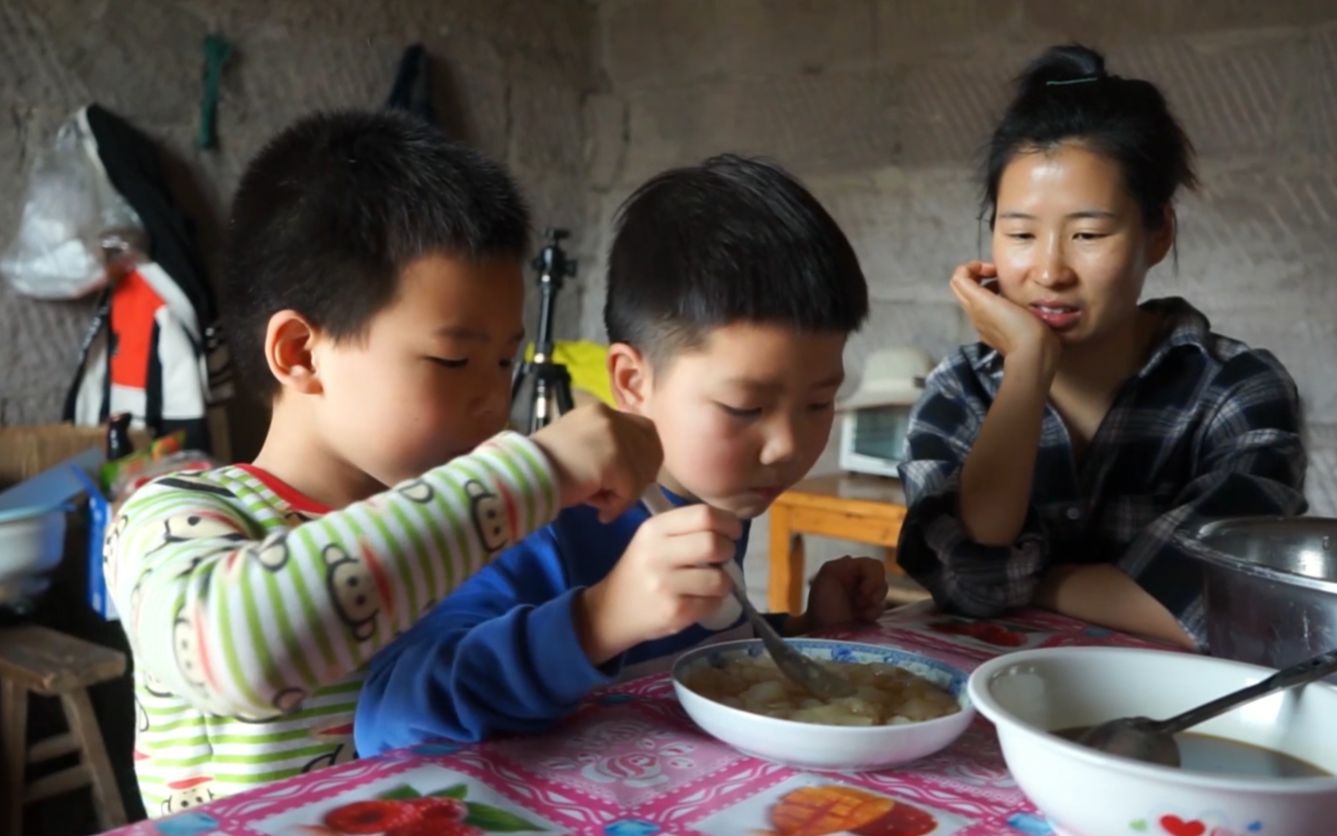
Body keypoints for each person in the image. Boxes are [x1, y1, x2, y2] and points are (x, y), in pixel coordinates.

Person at [106, 109, 661, 814]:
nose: (494, 399)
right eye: (453, 359)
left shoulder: (472, 519)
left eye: (503, 361)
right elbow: (236, 651)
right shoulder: (172, 517)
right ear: (301, 354)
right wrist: (540, 471)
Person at [355, 154, 888, 752]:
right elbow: (390, 717)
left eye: (820, 403)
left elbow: (680, 663)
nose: (788, 445)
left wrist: (803, 630)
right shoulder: (537, 519)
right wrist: (595, 622)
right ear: (633, 382)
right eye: (745, 408)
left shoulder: (710, 495)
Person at [896, 44, 1307, 649]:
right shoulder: (962, 388)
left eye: (1088, 233)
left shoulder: (1236, 390)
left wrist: (1027, 583)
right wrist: (1028, 366)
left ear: (1157, 231)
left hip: (1178, 719)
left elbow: (1226, 607)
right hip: (992, 709)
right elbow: (970, 568)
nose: (1049, 270)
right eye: (1020, 233)